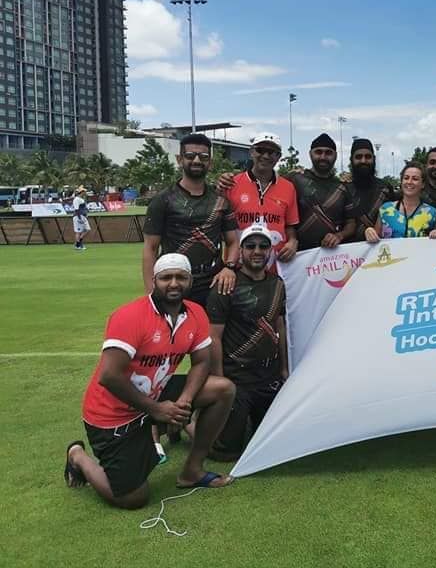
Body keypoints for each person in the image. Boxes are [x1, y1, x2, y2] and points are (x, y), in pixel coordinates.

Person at [63, 254, 237, 507]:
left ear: (190, 281)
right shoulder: (130, 316)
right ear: (154, 281)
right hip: (113, 414)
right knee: (133, 498)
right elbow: (109, 376)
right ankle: (78, 456)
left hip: (154, 396)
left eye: (181, 277)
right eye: (166, 277)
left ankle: (192, 471)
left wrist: (185, 402)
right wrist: (157, 409)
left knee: (223, 389)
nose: (174, 283)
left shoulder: (196, 312)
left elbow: (202, 362)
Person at [206, 224, 290, 460]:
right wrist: (220, 380)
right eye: (250, 246)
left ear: (270, 251)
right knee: (226, 453)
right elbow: (214, 336)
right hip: (237, 379)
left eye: (263, 246)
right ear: (241, 250)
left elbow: (280, 326)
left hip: (268, 377)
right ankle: (192, 424)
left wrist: (283, 369)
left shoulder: (277, 284)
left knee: (273, 446)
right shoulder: (225, 285)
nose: (257, 251)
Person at [143, 133, 240, 306]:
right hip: (175, 282)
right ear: (180, 159)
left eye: (203, 157)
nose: (196, 160)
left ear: (210, 162)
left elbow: (233, 242)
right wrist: (151, 292)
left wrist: (229, 267)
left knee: (213, 333)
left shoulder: (221, 200)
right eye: (190, 156)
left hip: (213, 283)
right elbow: (150, 248)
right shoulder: (163, 200)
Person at [219, 132, 300, 268]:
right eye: (260, 150)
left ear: (279, 157)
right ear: (251, 152)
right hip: (238, 267)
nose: (265, 156)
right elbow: (220, 227)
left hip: (276, 267)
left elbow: (289, 225)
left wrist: (293, 241)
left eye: (272, 152)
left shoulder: (288, 187)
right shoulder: (231, 184)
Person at [289, 133, 356, 250]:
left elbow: (351, 224)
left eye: (328, 153)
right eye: (318, 152)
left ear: (335, 156)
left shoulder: (343, 187)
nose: (323, 157)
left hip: (332, 256)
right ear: (310, 154)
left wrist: (339, 236)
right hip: (299, 256)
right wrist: (292, 239)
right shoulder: (295, 180)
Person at [364, 163, 436, 241]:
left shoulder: (432, 213)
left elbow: (435, 246)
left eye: (415, 179)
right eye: (406, 178)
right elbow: (375, 239)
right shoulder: (385, 209)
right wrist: (369, 232)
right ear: (401, 181)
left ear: (423, 184)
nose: (409, 182)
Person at [346, 137, 395, 242]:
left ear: (374, 159)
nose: (363, 161)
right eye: (358, 157)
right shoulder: (344, 190)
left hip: (380, 250)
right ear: (351, 160)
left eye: (368, 157)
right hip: (349, 254)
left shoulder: (385, 189)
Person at [72, 186, 90, 250]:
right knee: (78, 231)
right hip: (78, 216)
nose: (85, 193)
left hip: (83, 216)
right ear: (81, 192)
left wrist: (86, 213)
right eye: (84, 192)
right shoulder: (76, 199)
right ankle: (78, 245)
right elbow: (76, 209)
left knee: (87, 229)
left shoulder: (81, 199)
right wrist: (79, 218)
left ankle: (78, 243)